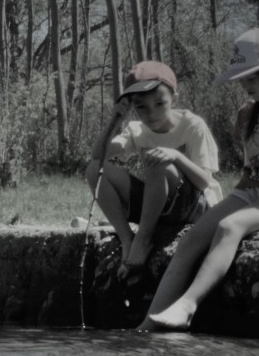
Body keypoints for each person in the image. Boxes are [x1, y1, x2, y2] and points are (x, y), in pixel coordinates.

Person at [140, 28, 259, 331]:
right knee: (192, 237)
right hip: (249, 191)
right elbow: (251, 167)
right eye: (243, 79)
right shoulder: (247, 113)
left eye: (253, 79)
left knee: (230, 227)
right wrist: (235, 199)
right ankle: (148, 322)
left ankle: (187, 306)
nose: (245, 85)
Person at [86, 60, 222, 273]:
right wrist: (114, 119)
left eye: (160, 104)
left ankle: (143, 239)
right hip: (157, 207)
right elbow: (97, 156)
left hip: (194, 206)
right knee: (95, 169)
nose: (151, 114)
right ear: (132, 106)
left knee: (158, 162)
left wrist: (175, 156)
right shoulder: (137, 130)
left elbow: (205, 181)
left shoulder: (193, 126)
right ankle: (127, 239)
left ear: (174, 99)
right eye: (141, 107)